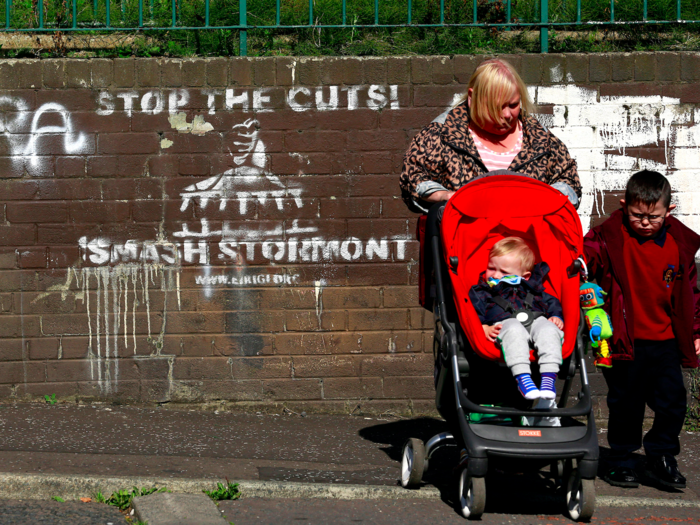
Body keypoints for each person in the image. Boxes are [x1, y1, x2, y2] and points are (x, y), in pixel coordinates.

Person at [583, 170, 700, 490]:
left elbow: (691, 291)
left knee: (674, 401)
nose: (645, 222)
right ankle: (620, 460)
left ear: (669, 211)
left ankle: (661, 454)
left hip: (665, 340)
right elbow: (587, 257)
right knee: (626, 402)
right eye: (637, 215)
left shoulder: (679, 244)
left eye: (654, 216)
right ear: (623, 206)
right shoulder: (609, 236)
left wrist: (695, 330)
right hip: (623, 337)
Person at [399, 58, 581, 212]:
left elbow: (568, 181)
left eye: (513, 105)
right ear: (472, 98)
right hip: (463, 245)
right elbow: (413, 177)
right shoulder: (441, 134)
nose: (507, 114)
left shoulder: (540, 139)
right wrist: (446, 196)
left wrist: (544, 200)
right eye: (497, 107)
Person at [469, 237, 564, 400]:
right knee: (513, 328)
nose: (496, 275)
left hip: (535, 320)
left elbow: (551, 301)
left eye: (504, 272)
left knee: (549, 329)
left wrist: (555, 316)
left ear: (525, 276)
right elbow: (473, 310)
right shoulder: (482, 291)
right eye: (491, 268)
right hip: (505, 324)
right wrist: (483, 326)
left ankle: (548, 378)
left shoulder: (533, 290)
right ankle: (523, 378)